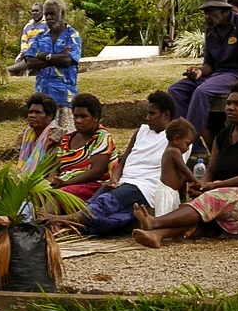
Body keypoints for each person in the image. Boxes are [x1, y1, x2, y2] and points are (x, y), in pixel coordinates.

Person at [133, 81, 238, 247]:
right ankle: (157, 235)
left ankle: (155, 222)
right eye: (229, 103)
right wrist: (202, 185)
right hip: (226, 191)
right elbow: (211, 170)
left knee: (211, 199)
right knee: (204, 201)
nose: (230, 107)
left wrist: (214, 186)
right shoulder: (222, 136)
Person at [45, 91, 179, 236]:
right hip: (123, 182)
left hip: (145, 186)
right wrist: (115, 178)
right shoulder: (142, 131)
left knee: (104, 203)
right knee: (94, 205)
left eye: (152, 114)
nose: (147, 118)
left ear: (165, 115)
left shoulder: (175, 137)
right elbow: (122, 163)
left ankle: (59, 220)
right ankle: (68, 226)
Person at [168, 0, 238, 153]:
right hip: (215, 75)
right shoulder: (211, 29)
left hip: (235, 74)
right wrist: (198, 72)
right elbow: (209, 64)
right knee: (175, 90)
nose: (206, 16)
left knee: (201, 92)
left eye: (210, 12)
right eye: (205, 12)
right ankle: (193, 145)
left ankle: (189, 145)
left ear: (225, 11)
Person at [6, 0, 81, 131]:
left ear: (62, 14)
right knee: (42, 139)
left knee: (64, 141)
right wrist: (55, 58)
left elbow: (67, 60)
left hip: (64, 98)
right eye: (46, 14)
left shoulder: (72, 35)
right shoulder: (41, 36)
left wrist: (43, 56)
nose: (49, 17)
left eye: (53, 14)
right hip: (42, 100)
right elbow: (30, 61)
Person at [51, 94, 114, 201]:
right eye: (76, 116)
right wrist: (52, 180)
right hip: (63, 183)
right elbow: (56, 166)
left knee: (58, 195)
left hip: (93, 186)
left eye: (84, 116)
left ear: (95, 117)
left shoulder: (101, 137)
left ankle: (45, 217)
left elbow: (97, 171)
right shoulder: (67, 138)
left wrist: (67, 183)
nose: (78, 120)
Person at [155, 119, 201, 216]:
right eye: (187, 144)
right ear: (176, 139)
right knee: (163, 219)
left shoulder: (175, 152)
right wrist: (198, 182)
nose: (188, 148)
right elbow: (184, 169)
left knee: (172, 218)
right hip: (166, 193)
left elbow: (182, 176)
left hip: (173, 193)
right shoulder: (173, 151)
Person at [15, 93, 65, 174]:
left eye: (37, 113)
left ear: (49, 116)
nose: (32, 115)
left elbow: (56, 167)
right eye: (30, 112)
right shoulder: (25, 135)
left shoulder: (57, 136)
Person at [12, 3, 48, 70]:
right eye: (33, 11)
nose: (34, 13)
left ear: (42, 12)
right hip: (27, 51)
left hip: (40, 51)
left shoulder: (47, 24)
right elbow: (23, 40)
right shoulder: (28, 26)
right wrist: (25, 50)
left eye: (37, 11)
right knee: (17, 62)